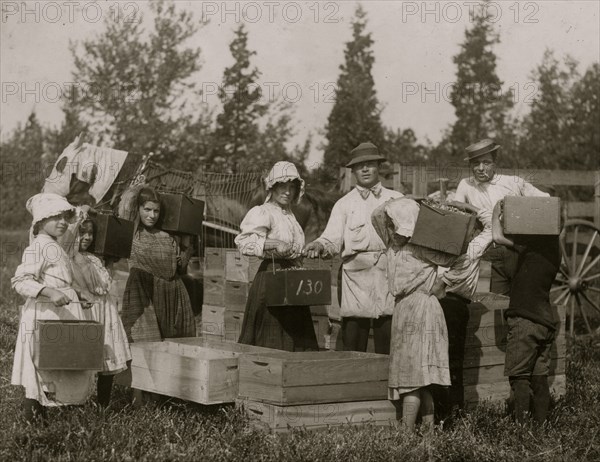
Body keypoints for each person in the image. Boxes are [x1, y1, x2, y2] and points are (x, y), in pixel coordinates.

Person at [371, 197, 469, 430]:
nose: (393, 231)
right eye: (391, 226)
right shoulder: (392, 244)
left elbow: (462, 259)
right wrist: (406, 201)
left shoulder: (423, 247)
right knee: (418, 379)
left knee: (414, 379)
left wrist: (443, 282)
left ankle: (406, 433)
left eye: (398, 226)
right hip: (403, 309)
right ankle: (428, 433)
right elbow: (376, 215)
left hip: (422, 309)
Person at [304, 142, 402, 354]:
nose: (365, 169)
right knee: (353, 338)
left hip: (388, 276)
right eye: (360, 166)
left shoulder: (396, 199)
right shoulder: (344, 204)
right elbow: (332, 239)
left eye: (370, 164)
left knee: (388, 335)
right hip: (355, 279)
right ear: (353, 171)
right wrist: (319, 244)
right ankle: (352, 384)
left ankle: (386, 384)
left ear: (379, 167)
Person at [11, 193, 96, 422]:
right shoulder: (39, 247)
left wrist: (78, 292)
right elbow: (20, 281)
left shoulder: (55, 246)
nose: (62, 222)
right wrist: (49, 291)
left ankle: (63, 416)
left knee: (65, 362)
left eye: (64, 217)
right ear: (40, 220)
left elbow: (61, 278)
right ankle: (34, 419)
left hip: (63, 312)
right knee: (43, 366)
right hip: (46, 313)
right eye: (55, 217)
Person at [235, 161, 318, 351]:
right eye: (282, 186)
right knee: (271, 337)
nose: (287, 192)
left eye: (291, 187)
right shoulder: (262, 212)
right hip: (271, 278)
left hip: (292, 280)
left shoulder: (291, 217)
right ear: (271, 187)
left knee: (295, 337)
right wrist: (274, 244)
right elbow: (243, 242)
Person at [450, 138, 549, 296]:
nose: (481, 168)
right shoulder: (466, 184)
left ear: (495, 162)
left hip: (516, 248)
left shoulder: (513, 182)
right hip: (488, 252)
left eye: (486, 162)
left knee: (523, 296)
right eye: (476, 164)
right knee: (495, 301)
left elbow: (546, 201)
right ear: (470, 165)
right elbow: (457, 215)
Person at [492, 199, 561, 424]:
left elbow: (498, 237)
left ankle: (521, 431)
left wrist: (496, 213)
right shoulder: (554, 249)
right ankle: (540, 430)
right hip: (546, 322)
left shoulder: (533, 245)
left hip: (526, 319)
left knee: (519, 377)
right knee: (539, 378)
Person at [120, 186, 195, 341]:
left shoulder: (167, 237)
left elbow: (180, 269)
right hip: (143, 294)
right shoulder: (132, 235)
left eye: (156, 211)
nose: (152, 215)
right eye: (147, 209)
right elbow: (125, 206)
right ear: (138, 209)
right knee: (145, 344)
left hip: (173, 296)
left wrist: (186, 245)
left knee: (176, 345)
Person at [70, 216, 131, 408]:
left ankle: (103, 403)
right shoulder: (70, 259)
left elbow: (104, 284)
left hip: (105, 310)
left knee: (107, 355)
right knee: (85, 359)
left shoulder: (95, 258)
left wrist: (109, 264)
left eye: (90, 234)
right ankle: (77, 401)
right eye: (82, 233)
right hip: (88, 311)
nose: (87, 237)